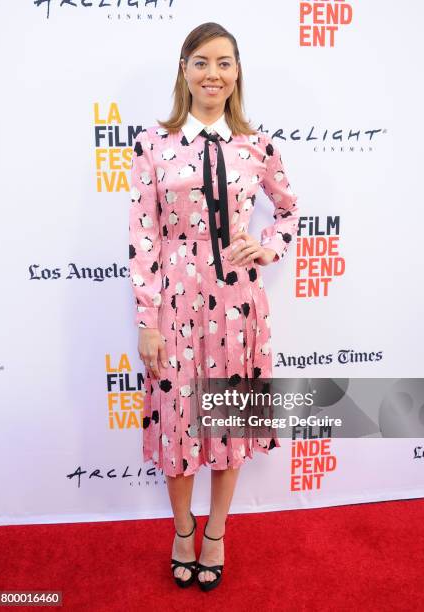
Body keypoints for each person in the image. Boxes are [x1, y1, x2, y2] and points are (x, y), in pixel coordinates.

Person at [129, 22, 299, 592]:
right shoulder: (153, 144)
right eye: (201, 62)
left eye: (224, 63)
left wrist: (269, 246)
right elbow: (144, 234)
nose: (213, 74)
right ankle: (183, 531)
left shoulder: (257, 146)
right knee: (177, 423)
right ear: (184, 70)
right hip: (174, 303)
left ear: (237, 73)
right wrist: (147, 320)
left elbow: (288, 211)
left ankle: (218, 532)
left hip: (236, 306)